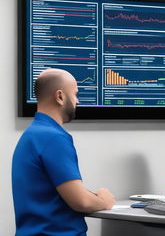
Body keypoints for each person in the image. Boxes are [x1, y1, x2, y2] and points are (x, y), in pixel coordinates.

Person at [12, 68, 115, 236]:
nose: (78, 101)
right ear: (59, 96)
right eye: (75, 94)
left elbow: (55, 192)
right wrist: (104, 201)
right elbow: (80, 201)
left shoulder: (30, 135)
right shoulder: (54, 138)